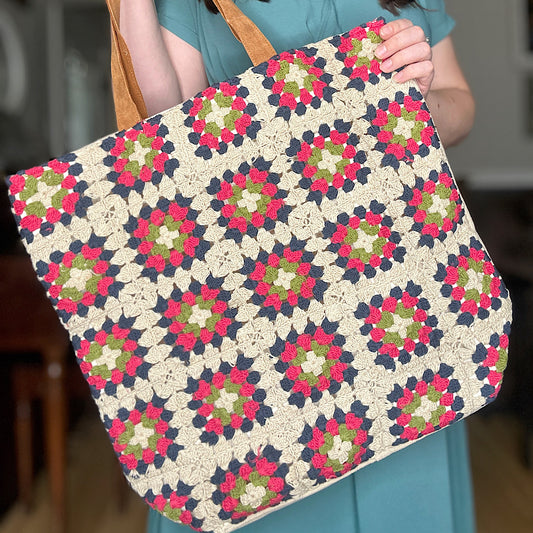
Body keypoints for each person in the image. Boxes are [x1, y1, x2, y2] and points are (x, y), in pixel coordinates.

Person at [118, 1, 476, 532]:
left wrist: (416, 102)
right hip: (264, 332)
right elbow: (163, 140)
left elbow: (460, 104)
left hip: (404, 306)